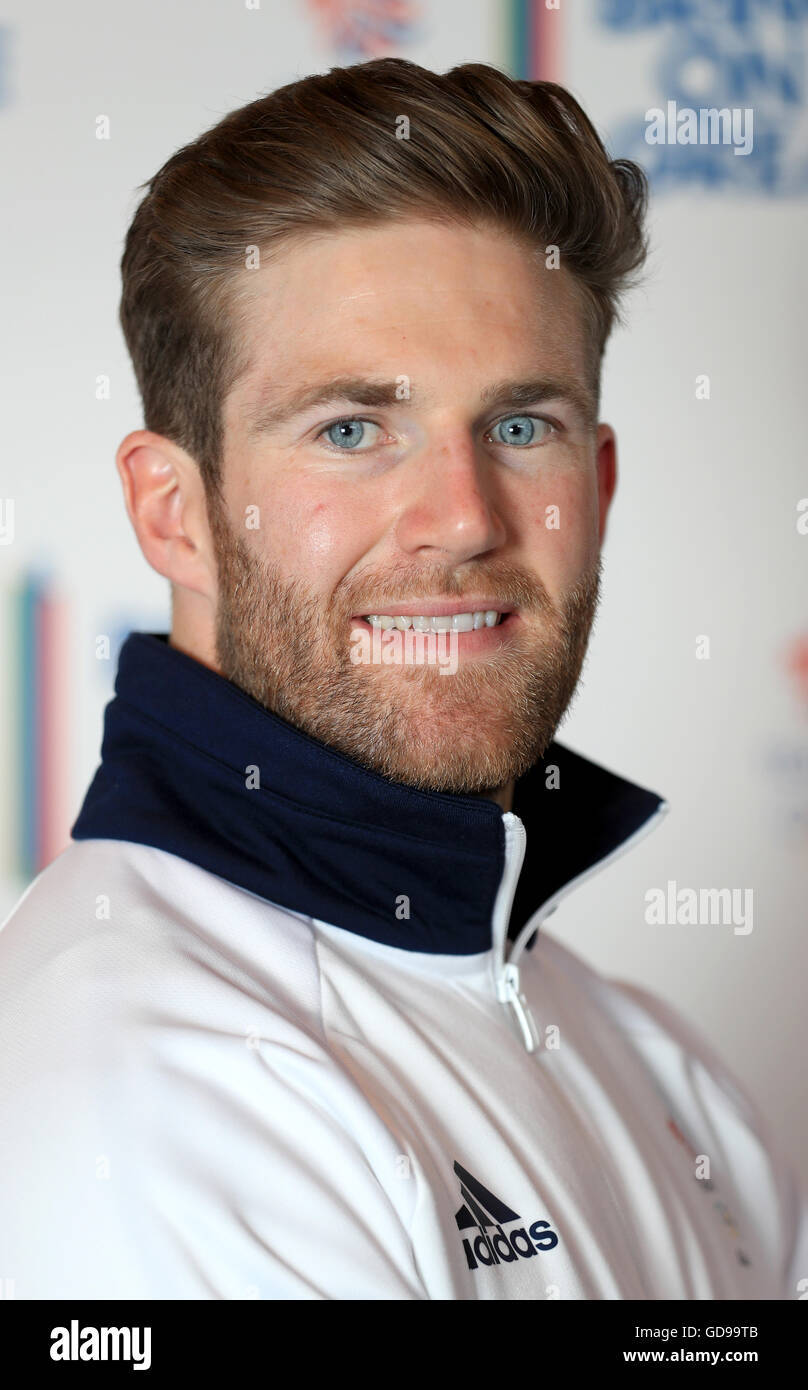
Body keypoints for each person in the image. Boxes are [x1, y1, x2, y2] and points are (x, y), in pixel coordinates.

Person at [0, 57, 804, 1300]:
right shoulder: (149, 1090)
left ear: (595, 484)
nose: (462, 519)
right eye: (351, 429)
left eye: (519, 425)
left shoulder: (645, 1059)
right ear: (176, 512)